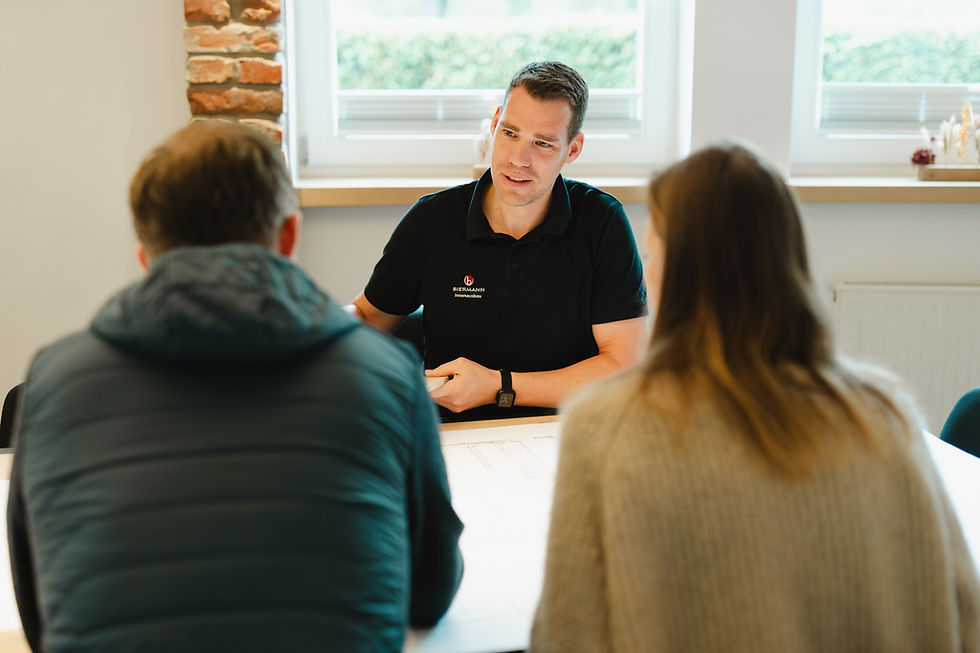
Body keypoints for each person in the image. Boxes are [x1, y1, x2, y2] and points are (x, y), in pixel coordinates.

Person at [6, 122, 463, 653]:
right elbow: (430, 593)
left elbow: (42, 618)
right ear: (289, 237)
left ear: (146, 259)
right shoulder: (385, 373)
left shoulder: (56, 380)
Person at [531, 143, 980, 652]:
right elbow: (961, 620)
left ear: (674, 271)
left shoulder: (606, 426)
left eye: (653, 249)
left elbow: (569, 633)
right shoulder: (881, 411)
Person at [350, 61, 648, 420]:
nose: (518, 160)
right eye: (509, 133)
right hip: (452, 434)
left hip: (565, 431)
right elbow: (368, 315)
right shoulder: (433, 220)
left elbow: (623, 365)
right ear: (494, 123)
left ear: (572, 149)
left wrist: (499, 386)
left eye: (542, 143)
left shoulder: (602, 222)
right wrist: (309, 333)